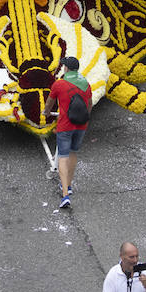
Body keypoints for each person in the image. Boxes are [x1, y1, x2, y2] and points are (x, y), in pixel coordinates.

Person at [44, 54, 91, 209]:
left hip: (65, 126)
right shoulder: (86, 83)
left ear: (66, 68)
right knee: (73, 153)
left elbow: (50, 103)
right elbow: (89, 105)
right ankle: (69, 185)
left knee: (62, 158)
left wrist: (46, 113)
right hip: (81, 125)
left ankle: (65, 195)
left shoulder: (59, 84)